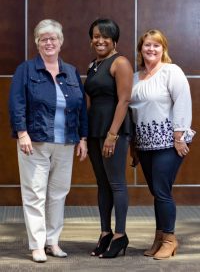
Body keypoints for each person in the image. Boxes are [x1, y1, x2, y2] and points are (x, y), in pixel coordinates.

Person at [9, 19, 88, 263]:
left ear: (61, 42)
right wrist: (22, 132)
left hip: (66, 142)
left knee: (58, 194)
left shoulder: (71, 71)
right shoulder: (26, 69)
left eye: (53, 38)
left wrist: (83, 137)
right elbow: (16, 103)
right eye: (44, 38)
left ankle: (53, 241)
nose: (49, 42)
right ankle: (37, 245)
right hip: (36, 142)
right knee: (35, 194)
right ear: (37, 43)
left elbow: (81, 107)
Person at [129, 29, 195, 260]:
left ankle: (169, 239)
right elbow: (133, 112)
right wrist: (134, 146)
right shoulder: (135, 77)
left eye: (156, 45)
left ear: (163, 49)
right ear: (141, 49)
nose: (151, 49)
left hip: (169, 142)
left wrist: (179, 137)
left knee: (161, 191)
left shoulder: (171, 71)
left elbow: (183, 102)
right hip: (145, 144)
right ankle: (159, 238)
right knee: (157, 192)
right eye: (147, 45)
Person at [84, 18, 133, 258]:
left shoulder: (120, 62)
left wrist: (112, 135)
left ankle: (120, 235)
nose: (99, 40)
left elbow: (124, 100)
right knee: (102, 184)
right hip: (95, 130)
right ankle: (105, 232)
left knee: (116, 183)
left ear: (114, 39)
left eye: (105, 36)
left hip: (113, 130)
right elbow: (91, 100)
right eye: (95, 36)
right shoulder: (93, 65)